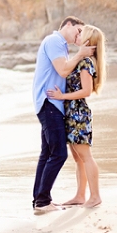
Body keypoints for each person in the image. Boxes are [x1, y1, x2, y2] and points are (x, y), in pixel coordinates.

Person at [32, 16, 96, 215]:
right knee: (59, 154)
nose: (79, 36)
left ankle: (40, 200)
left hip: (50, 104)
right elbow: (62, 69)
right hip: (50, 103)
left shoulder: (61, 46)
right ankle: (43, 201)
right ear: (68, 25)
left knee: (47, 154)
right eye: (78, 31)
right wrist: (80, 54)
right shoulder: (54, 42)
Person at [47, 24, 107, 208]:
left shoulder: (86, 62)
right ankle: (80, 196)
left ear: (88, 40)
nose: (77, 34)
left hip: (78, 113)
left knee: (85, 156)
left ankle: (95, 196)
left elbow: (86, 91)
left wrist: (62, 96)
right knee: (78, 157)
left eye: (82, 33)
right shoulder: (81, 59)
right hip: (72, 112)